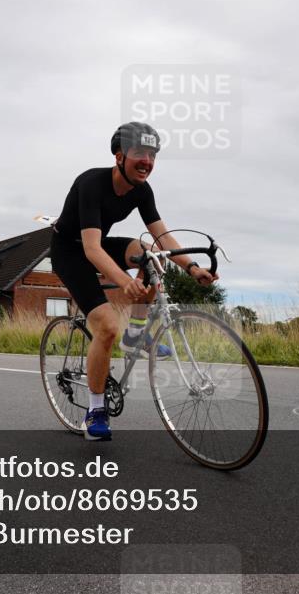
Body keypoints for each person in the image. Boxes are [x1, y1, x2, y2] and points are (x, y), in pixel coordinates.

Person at [51, 121, 218, 441]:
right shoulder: (91, 183)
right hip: (70, 251)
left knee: (152, 254)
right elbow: (90, 249)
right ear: (119, 156)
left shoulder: (142, 191)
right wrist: (122, 281)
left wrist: (192, 267)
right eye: (140, 153)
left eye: (153, 154)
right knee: (107, 327)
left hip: (99, 245)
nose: (148, 161)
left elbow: (163, 236)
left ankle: (137, 336)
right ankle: (95, 411)